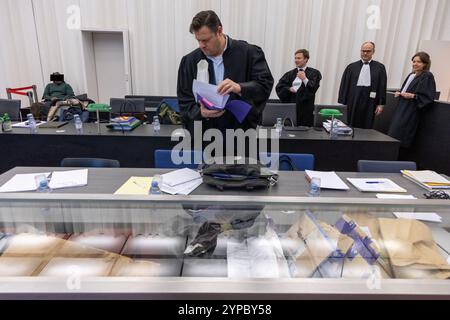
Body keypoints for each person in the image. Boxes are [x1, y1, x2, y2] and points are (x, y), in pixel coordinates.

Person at [177, 10, 274, 141]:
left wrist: (239, 87)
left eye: (205, 40)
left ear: (219, 31)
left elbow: (264, 84)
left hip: (240, 135)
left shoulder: (249, 53)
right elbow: (184, 101)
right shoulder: (190, 61)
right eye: (198, 40)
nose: (201, 46)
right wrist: (199, 112)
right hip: (206, 137)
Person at [388, 52, 436, 152]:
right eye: (414, 61)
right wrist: (400, 93)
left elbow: (428, 97)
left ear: (425, 64)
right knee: (393, 134)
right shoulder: (412, 74)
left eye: (419, 62)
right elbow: (405, 90)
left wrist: (413, 96)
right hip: (402, 108)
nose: (415, 64)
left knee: (401, 135)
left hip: (410, 111)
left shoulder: (427, 76)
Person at [338, 42, 387, 128]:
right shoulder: (351, 67)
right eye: (363, 51)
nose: (365, 53)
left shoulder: (380, 68)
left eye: (368, 51)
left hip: (370, 102)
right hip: (353, 101)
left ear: (373, 52)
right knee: (350, 123)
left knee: (367, 125)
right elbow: (345, 85)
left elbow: (382, 86)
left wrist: (381, 104)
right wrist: (343, 101)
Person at [275, 49, 322, 127]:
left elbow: (313, 88)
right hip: (291, 107)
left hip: (306, 109)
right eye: (295, 58)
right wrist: (289, 89)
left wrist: (304, 78)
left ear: (306, 59)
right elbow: (279, 87)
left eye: (299, 58)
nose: (296, 60)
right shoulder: (289, 74)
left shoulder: (314, 73)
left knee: (304, 134)